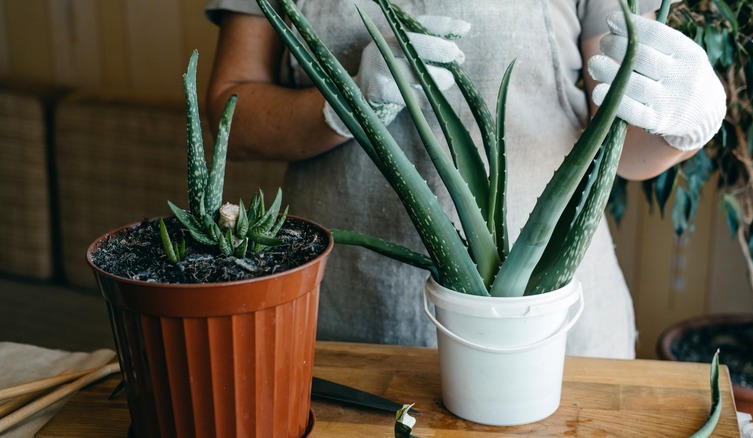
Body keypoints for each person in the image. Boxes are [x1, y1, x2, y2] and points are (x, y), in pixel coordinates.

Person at [203, 0, 725, 359]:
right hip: (341, 325)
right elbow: (233, 116)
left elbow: (625, 150)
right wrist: (341, 106)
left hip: (548, 325)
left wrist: (686, 126)